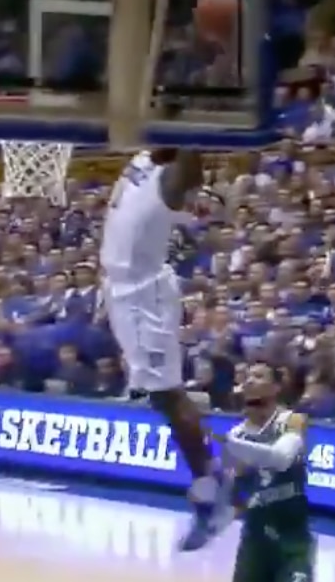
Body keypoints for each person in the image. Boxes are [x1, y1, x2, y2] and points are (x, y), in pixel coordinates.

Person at [100, 146, 233, 550]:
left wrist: (190, 132)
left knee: (166, 394)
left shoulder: (170, 185)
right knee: (159, 397)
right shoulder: (146, 156)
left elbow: (188, 168)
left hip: (144, 295)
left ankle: (211, 489)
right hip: (120, 288)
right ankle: (214, 474)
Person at [220, 363, 315, 582]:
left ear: (275, 388)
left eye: (259, 376)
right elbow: (235, 489)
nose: (250, 381)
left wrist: (234, 447)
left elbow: (281, 458)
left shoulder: (292, 421)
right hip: (255, 539)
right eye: (247, 377)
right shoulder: (238, 433)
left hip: (292, 539)